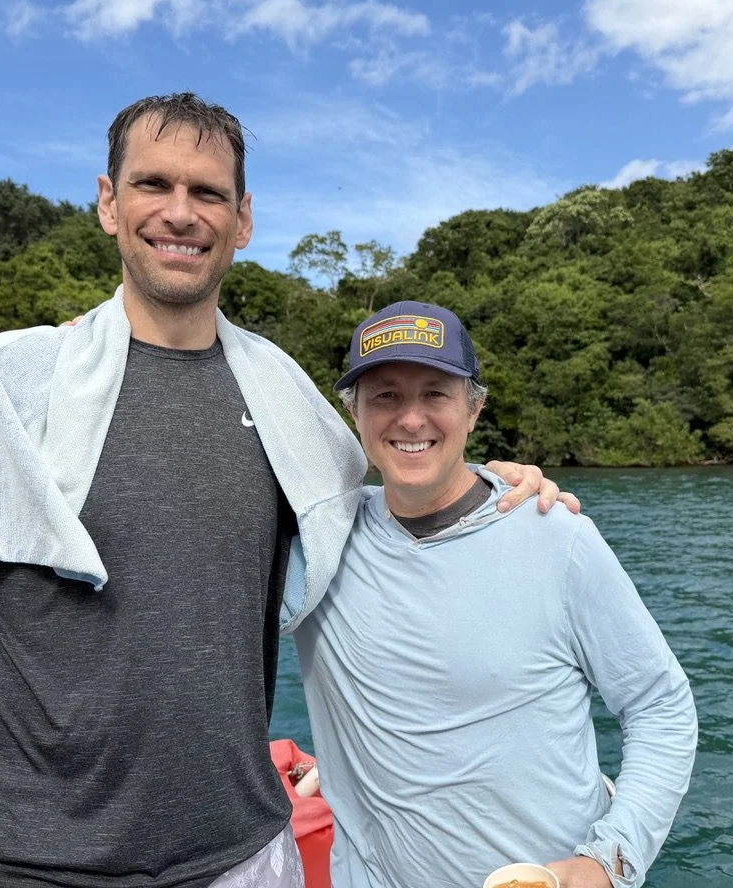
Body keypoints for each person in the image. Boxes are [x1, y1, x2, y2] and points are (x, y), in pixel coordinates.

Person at [0, 93, 574, 888]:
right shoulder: (9, 385)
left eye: (208, 193)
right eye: (154, 185)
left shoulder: (289, 405)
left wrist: (492, 488)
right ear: (109, 203)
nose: (181, 213)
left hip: (243, 861)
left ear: (242, 220)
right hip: (12, 863)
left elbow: (385, 510)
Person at [292, 301, 698, 888]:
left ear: (474, 409)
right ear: (353, 414)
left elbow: (660, 705)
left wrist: (611, 859)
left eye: (436, 394)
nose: (411, 419)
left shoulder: (556, 535)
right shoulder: (319, 542)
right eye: (385, 396)